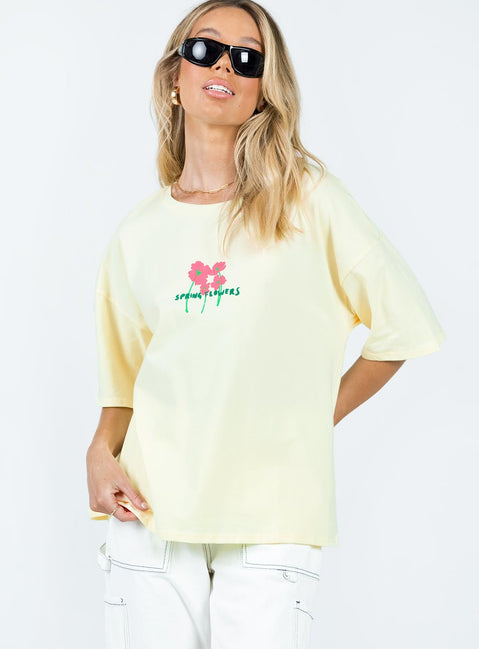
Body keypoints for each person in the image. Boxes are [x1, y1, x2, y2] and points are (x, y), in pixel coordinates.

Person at [86, 1, 446, 647]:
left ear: (262, 92)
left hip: (272, 515)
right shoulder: (137, 233)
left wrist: (311, 416)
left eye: (247, 58)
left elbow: (402, 324)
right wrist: (98, 452)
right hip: (149, 511)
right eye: (205, 49)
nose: (224, 65)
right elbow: (124, 381)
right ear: (175, 76)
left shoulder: (307, 199)